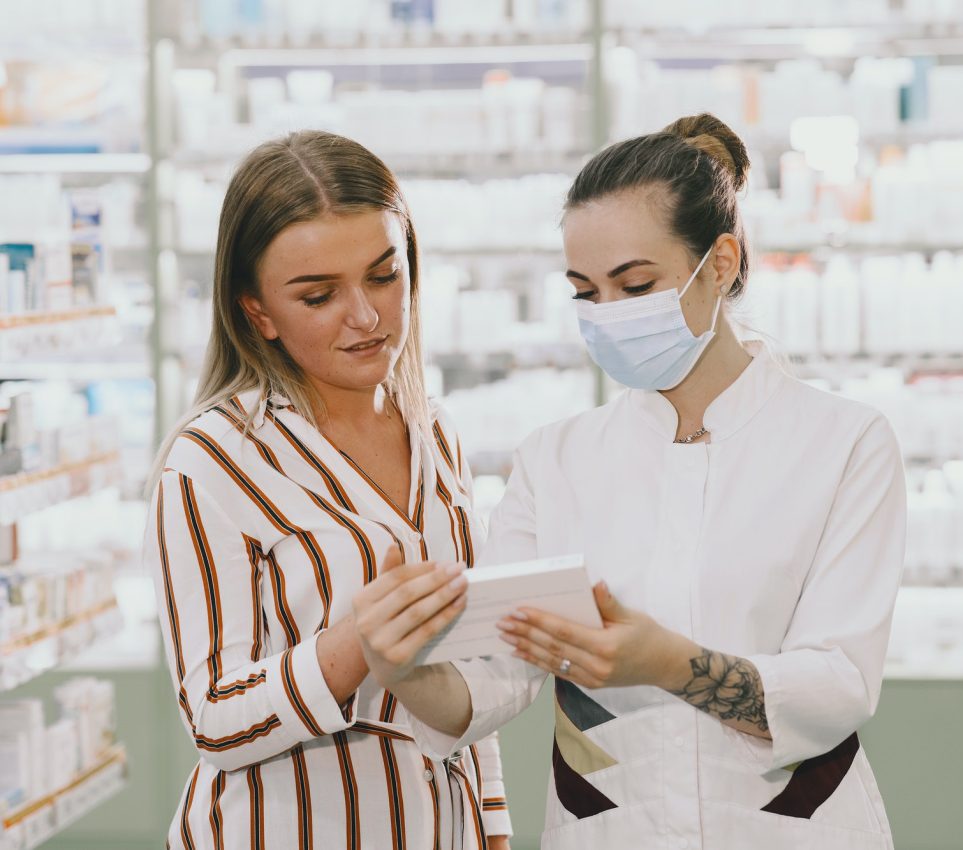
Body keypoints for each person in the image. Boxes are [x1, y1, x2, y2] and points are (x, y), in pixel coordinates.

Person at [352, 113, 907, 850]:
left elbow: (839, 684)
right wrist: (402, 668)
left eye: (635, 284)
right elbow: (495, 675)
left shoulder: (843, 444)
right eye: (586, 292)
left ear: (719, 263)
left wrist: (668, 664)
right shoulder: (557, 461)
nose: (608, 317)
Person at [143, 131, 512, 850]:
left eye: (385, 275)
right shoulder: (212, 461)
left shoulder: (434, 431)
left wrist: (490, 826)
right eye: (319, 295)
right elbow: (213, 716)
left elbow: (468, 675)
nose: (367, 317)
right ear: (258, 313)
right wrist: (357, 647)